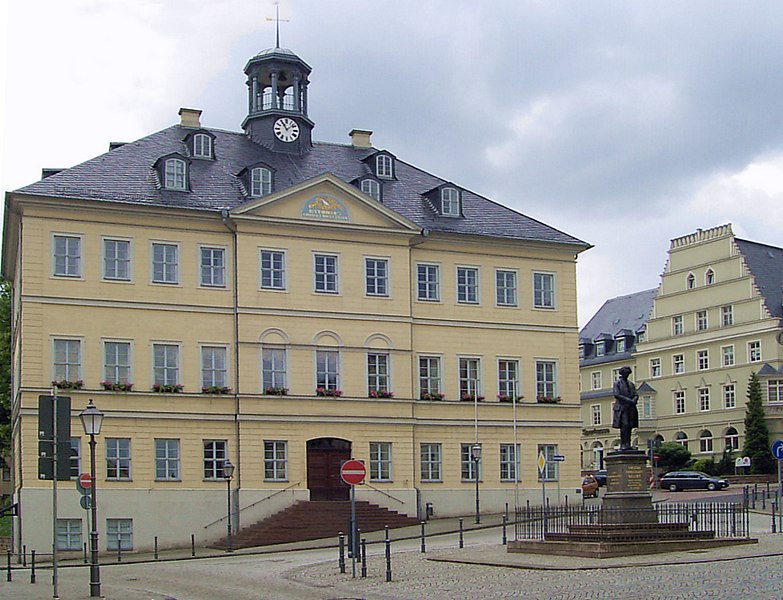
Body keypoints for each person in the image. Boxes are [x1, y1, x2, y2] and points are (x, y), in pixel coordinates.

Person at [612, 366, 638, 450]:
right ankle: (623, 444)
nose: (627, 375)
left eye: (628, 373)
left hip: (630, 408)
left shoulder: (631, 384)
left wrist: (634, 399)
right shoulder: (617, 383)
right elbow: (617, 394)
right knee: (624, 425)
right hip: (621, 407)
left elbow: (636, 394)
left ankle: (628, 444)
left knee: (630, 425)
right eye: (626, 373)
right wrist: (629, 400)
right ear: (622, 373)